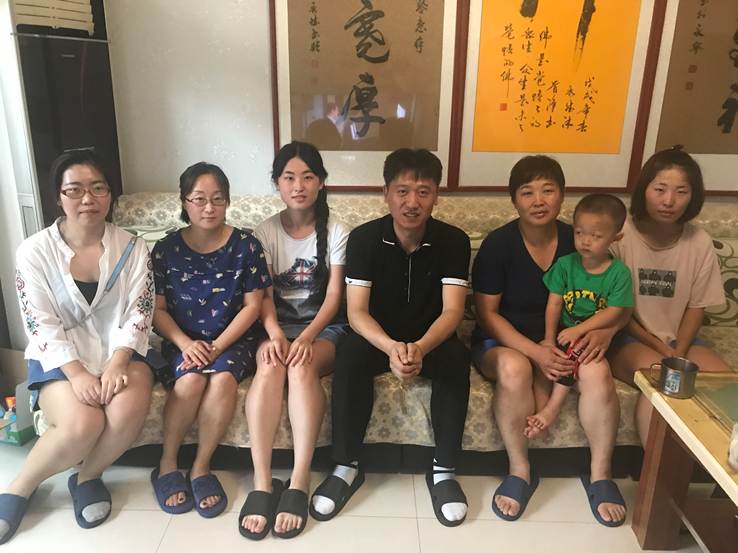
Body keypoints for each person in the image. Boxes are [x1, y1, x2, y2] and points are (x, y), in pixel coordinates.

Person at [310, 148, 472, 527]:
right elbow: (356, 312)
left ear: (436, 196)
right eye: (402, 191)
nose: (412, 202)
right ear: (386, 194)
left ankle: (444, 470)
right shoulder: (365, 239)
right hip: (376, 337)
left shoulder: (453, 241)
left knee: (455, 358)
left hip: (431, 338)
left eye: (423, 192)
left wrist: (420, 348)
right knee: (349, 353)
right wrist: (391, 348)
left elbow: (452, 312)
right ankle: (345, 466)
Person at [0, 150, 155, 544]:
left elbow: (140, 311)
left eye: (98, 188)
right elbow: (39, 322)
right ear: (59, 197)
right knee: (84, 423)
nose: (88, 198)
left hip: (120, 353)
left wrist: (118, 362)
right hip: (60, 359)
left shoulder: (133, 247)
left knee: (127, 407)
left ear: (110, 194)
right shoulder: (34, 251)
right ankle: (19, 487)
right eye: (75, 190)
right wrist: (77, 373)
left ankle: (87, 478)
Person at [472, 155, 627, 527]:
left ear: (562, 195)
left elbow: (617, 302)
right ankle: (520, 470)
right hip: (504, 342)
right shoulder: (499, 244)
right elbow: (487, 314)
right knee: (515, 369)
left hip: (569, 341)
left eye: (548, 190)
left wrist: (605, 331)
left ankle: (601, 475)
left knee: (597, 372)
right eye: (527, 192)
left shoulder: (583, 240)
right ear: (514, 199)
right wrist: (536, 352)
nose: (538, 200)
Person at [239, 141, 350, 540]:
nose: (298, 186)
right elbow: (263, 297)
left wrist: (305, 337)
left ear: (321, 182)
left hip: (324, 329)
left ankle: (300, 479)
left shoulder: (337, 230)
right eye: (289, 178)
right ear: (277, 183)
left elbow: (334, 298)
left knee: (301, 368)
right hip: (275, 326)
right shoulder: (265, 231)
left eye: (307, 177)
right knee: (270, 367)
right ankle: (263, 482)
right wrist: (275, 335)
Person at [150, 162, 270, 519]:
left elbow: (253, 306)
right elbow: (157, 309)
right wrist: (186, 344)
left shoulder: (246, 245)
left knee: (222, 380)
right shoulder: (165, 249)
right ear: (184, 202)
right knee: (189, 382)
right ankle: (167, 463)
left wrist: (217, 346)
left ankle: (201, 467)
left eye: (218, 199)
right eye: (199, 199)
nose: (209, 207)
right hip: (183, 338)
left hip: (233, 340)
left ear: (227, 202)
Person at [609, 147, 729, 443]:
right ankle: (655, 469)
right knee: (664, 380)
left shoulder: (698, 241)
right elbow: (616, 310)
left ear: (693, 196)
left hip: (681, 340)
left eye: (681, 192)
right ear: (644, 189)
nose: (669, 201)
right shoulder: (619, 235)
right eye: (660, 189)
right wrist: (662, 349)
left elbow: (696, 307)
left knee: (726, 386)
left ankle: (720, 467)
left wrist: (679, 350)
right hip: (628, 339)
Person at [525, 194, 633, 438]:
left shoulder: (619, 273)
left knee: (572, 354)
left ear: (616, 237)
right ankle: (540, 413)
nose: (585, 241)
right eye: (579, 233)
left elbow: (615, 311)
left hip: (593, 338)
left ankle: (551, 409)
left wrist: (579, 330)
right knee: (548, 359)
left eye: (596, 236)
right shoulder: (565, 264)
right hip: (564, 333)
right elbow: (554, 303)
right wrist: (548, 338)